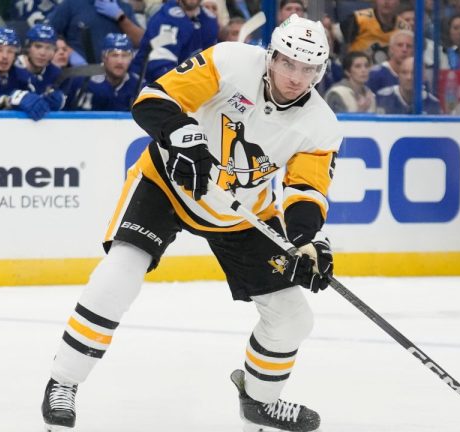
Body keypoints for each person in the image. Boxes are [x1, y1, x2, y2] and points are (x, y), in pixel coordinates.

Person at [40, 14, 339, 432]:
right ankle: (64, 381)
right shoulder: (231, 61)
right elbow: (152, 100)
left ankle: (260, 401)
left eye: (308, 69)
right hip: (167, 183)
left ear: (321, 71)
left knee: (293, 318)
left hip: (238, 213)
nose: (295, 77)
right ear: (271, 55)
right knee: (119, 275)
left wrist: (308, 241)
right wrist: (182, 136)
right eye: (288, 62)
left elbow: (305, 191)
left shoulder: (321, 126)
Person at [0, 26, 53, 120]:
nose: (5, 56)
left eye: (10, 51)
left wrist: (46, 100)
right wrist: (8, 100)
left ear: (16, 55)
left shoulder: (18, 73)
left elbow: (31, 99)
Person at [130, 0, 218, 83]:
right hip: (149, 85)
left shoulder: (209, 21)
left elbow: (210, 62)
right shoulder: (164, 18)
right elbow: (160, 67)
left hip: (188, 82)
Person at [46, 0, 144, 64]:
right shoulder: (71, 4)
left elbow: (141, 41)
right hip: (77, 72)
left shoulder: (124, 8)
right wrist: (68, 51)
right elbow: (48, 32)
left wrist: (121, 17)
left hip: (112, 74)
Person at [66, 33, 142, 110]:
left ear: (131, 58)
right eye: (114, 55)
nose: (120, 61)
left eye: (125, 55)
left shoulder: (139, 86)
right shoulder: (82, 81)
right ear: (103, 57)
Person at [17, 23, 67, 110]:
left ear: (54, 51)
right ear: (28, 47)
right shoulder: (11, 69)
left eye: (48, 48)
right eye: (38, 46)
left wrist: (62, 102)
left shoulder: (56, 74)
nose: (43, 53)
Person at [376, 55, 441, 114]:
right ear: (398, 75)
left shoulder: (433, 104)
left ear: (424, 77)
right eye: (404, 72)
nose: (409, 77)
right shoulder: (382, 98)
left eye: (414, 73)